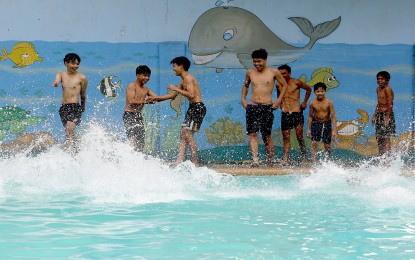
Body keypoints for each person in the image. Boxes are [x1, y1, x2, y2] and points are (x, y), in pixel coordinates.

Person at [149, 56, 206, 166]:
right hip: (192, 108)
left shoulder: (188, 78)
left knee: (188, 134)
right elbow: (172, 95)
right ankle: (179, 160)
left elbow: (191, 94)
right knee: (183, 134)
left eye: (174, 66)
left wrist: (175, 88)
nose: (173, 69)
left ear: (181, 66)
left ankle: (195, 162)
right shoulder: (183, 80)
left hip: (198, 107)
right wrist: (157, 99)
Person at [241, 48, 288, 167]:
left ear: (265, 60)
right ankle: (255, 161)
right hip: (252, 106)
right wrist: (243, 99)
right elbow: (246, 86)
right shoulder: (250, 72)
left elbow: (284, 85)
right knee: (253, 134)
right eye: (254, 61)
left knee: (266, 135)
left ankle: (270, 161)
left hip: (267, 106)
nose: (257, 64)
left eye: (259, 61)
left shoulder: (274, 72)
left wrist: (278, 101)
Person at [277, 64, 311, 165]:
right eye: (280, 74)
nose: (282, 75)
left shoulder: (296, 82)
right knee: (286, 137)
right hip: (286, 113)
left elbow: (309, 89)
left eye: (284, 73)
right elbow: (279, 96)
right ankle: (286, 159)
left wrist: (304, 102)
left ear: (289, 73)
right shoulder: (278, 84)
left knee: (299, 136)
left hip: (297, 112)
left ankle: (304, 157)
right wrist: (281, 106)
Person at [52, 53, 88, 150]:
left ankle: (68, 148)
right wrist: (56, 83)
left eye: (77, 64)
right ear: (66, 63)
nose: (75, 66)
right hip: (64, 108)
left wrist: (83, 106)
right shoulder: (61, 75)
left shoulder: (82, 78)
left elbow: (83, 94)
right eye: (73, 63)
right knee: (70, 132)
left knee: (69, 129)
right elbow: (57, 80)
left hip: (75, 107)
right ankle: (77, 149)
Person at [123, 65, 159, 152]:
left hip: (138, 116)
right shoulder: (132, 86)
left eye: (148, 76)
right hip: (129, 115)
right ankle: (129, 159)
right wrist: (146, 101)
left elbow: (157, 98)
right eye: (144, 75)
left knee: (141, 141)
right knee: (132, 140)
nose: (147, 78)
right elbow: (131, 101)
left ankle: (139, 160)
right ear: (137, 75)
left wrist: (170, 96)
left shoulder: (146, 89)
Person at [306, 82, 337, 163]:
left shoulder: (329, 102)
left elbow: (333, 116)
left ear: (325, 91)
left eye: (322, 91)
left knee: (327, 145)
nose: (320, 93)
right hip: (316, 123)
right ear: (315, 92)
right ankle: (314, 161)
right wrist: (308, 129)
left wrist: (334, 130)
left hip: (327, 123)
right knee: (314, 142)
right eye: (318, 91)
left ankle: (327, 161)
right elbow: (310, 116)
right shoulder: (312, 103)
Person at [371, 71, 395, 156]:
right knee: (379, 138)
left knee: (386, 138)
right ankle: (381, 158)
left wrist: (387, 118)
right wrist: (374, 115)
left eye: (382, 79)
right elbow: (379, 103)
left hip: (387, 114)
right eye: (378, 79)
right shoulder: (378, 89)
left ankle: (388, 160)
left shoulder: (388, 89)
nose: (380, 81)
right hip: (379, 115)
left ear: (387, 80)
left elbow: (390, 104)